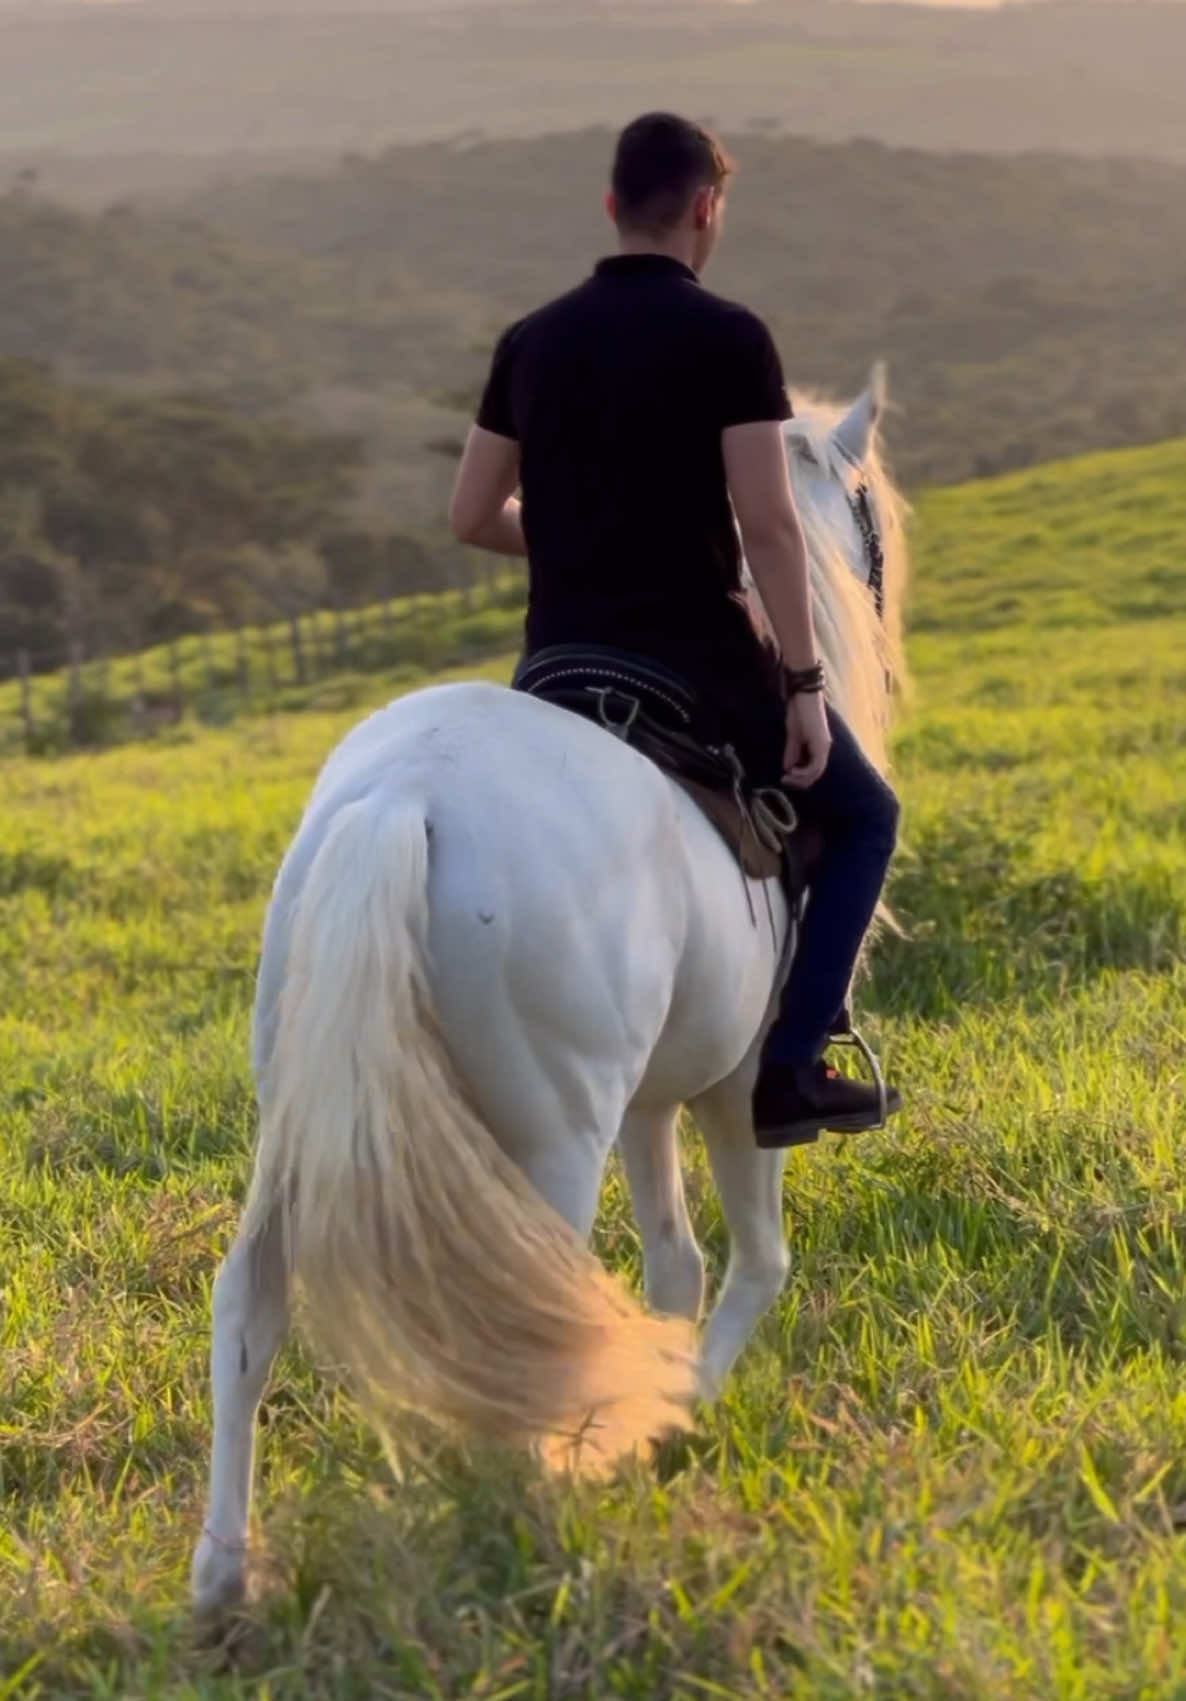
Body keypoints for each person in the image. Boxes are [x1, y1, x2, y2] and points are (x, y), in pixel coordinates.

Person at [449, 111, 901, 1148]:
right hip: (695, 665)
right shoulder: (729, 337)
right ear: (706, 210)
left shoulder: (530, 340)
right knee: (866, 817)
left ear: (611, 207)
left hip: (556, 669)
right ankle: (796, 1066)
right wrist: (800, 688)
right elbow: (772, 529)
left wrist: (579, 546)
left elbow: (471, 518)